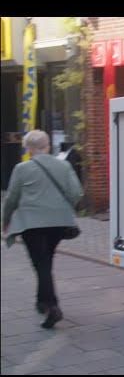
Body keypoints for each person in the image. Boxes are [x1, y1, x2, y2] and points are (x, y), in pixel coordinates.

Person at [2, 130, 84, 329]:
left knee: (41, 264)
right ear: (47, 146)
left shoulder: (22, 168)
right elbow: (76, 193)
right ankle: (41, 301)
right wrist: (65, 208)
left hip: (32, 224)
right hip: (58, 223)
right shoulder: (64, 166)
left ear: (28, 149)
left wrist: (5, 220)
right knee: (45, 261)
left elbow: (12, 197)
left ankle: (52, 306)